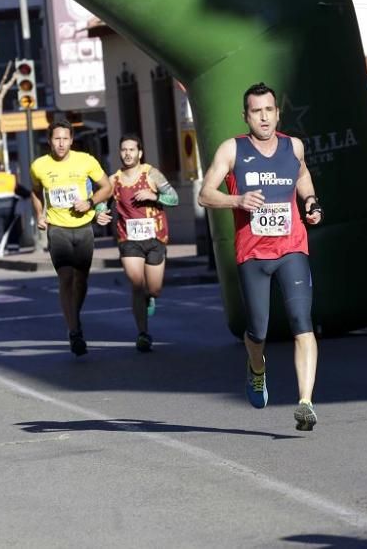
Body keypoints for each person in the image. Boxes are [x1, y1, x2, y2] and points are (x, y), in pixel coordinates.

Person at [198, 82, 324, 431]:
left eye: (269, 110)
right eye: (257, 111)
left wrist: (310, 202)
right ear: (246, 115)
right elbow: (206, 194)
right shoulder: (232, 150)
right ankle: (256, 369)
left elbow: (303, 177)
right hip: (253, 254)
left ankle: (305, 403)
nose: (264, 117)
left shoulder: (292, 146)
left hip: (291, 248)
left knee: (302, 323)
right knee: (258, 330)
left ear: (277, 113)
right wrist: (236, 201)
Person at [31, 120, 113, 356]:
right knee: (66, 277)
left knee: (81, 280)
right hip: (57, 228)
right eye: (57, 139)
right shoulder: (39, 165)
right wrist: (40, 214)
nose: (61, 143)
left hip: (84, 226)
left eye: (65, 139)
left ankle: (73, 316)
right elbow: (36, 192)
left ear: (71, 140)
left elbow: (106, 187)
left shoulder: (86, 160)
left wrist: (90, 202)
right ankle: (74, 330)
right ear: (49, 140)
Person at [94, 134, 179, 352]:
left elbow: (174, 198)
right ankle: (143, 333)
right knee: (136, 283)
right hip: (128, 238)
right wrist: (100, 213)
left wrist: (154, 196)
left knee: (155, 288)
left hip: (155, 237)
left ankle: (151, 297)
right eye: (124, 150)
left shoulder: (151, 174)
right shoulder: (114, 180)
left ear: (140, 153)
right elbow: (101, 203)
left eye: (132, 150)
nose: (128, 154)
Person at [0, 161, 31, 256]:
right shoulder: (10, 178)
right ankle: (13, 247)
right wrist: (29, 195)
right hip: (10, 207)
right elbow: (19, 189)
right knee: (11, 228)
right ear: (3, 168)